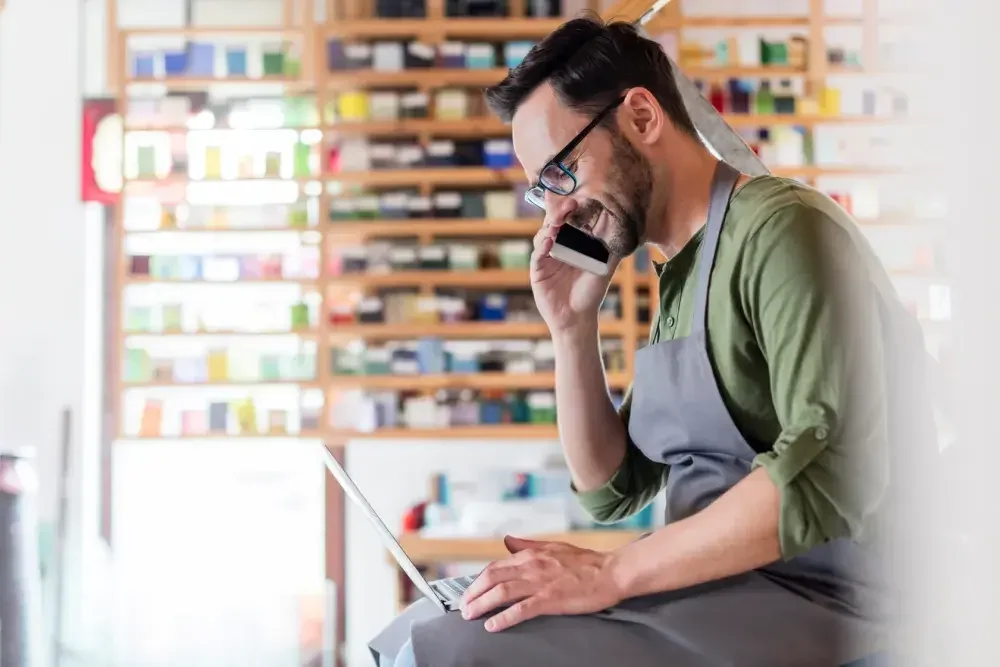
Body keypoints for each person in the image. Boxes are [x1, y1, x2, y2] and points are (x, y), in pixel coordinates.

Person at [372, 14, 936, 667]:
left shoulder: (782, 230)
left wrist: (610, 575)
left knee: (461, 648)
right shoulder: (679, 271)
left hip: (828, 600)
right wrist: (571, 330)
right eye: (541, 191)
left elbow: (826, 474)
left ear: (641, 117)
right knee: (435, 617)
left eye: (562, 172)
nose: (558, 211)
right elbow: (612, 485)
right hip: (718, 592)